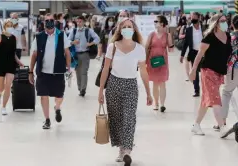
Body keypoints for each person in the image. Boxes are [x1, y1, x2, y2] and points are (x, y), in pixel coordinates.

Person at [98, 18, 153, 165]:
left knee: (129, 118)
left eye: (130, 26)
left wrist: (149, 93)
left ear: (134, 29)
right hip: (114, 84)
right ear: (120, 30)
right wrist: (100, 91)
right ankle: (121, 149)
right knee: (116, 119)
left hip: (131, 86)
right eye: (125, 27)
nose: (127, 29)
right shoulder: (112, 47)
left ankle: (127, 150)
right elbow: (105, 69)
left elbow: (143, 72)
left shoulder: (140, 49)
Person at [189, 14, 232, 137]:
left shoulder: (227, 36)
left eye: (226, 21)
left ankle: (196, 125)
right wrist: (193, 70)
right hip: (208, 71)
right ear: (216, 23)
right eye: (222, 21)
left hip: (219, 72)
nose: (225, 23)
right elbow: (199, 54)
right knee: (215, 99)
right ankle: (222, 127)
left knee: (206, 100)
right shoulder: (210, 37)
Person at [29, 13, 71, 129]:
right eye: (47, 21)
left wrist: (69, 68)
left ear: (55, 22)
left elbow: (67, 53)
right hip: (43, 72)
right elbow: (34, 55)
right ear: (43, 23)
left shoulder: (61, 35)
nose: (49, 22)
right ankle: (47, 119)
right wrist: (31, 72)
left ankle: (57, 107)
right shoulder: (39, 36)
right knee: (43, 95)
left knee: (59, 95)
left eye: (51, 20)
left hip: (58, 72)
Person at [0, 19, 24, 115]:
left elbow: (14, 53)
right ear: (4, 27)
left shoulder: (14, 38)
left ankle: (3, 107)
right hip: (0, 64)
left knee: (8, 85)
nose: (9, 27)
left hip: (11, 64)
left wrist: (18, 61)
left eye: (11, 25)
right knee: (1, 88)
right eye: (8, 25)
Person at [213, 14, 238, 130]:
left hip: (233, 70)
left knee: (226, 93)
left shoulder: (229, 38)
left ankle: (221, 122)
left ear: (232, 24)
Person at [146, 15, 174, 112]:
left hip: (163, 62)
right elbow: (146, 47)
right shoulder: (151, 34)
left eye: (156, 21)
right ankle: (156, 103)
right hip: (152, 61)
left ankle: (162, 104)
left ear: (162, 23)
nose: (155, 23)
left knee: (162, 83)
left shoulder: (167, 35)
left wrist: (170, 37)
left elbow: (171, 50)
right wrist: (144, 61)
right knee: (155, 83)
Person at [68, 16, 100, 97]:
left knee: (84, 72)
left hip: (85, 54)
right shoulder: (74, 31)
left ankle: (83, 89)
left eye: (80, 21)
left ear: (84, 22)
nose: (79, 23)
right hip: (76, 55)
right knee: (78, 72)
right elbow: (67, 41)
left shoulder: (88, 30)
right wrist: (73, 42)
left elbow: (97, 39)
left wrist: (90, 43)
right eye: (77, 22)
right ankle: (80, 88)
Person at [180, 12, 203, 97]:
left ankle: (206, 89)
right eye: (191, 17)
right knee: (195, 72)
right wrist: (182, 55)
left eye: (194, 17)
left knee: (205, 72)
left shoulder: (204, 28)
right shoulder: (189, 29)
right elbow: (185, 43)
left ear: (199, 18)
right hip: (193, 53)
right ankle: (196, 90)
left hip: (204, 53)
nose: (192, 19)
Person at [179, 16, 191, 81]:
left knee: (193, 61)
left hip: (193, 46)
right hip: (186, 46)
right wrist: (186, 35)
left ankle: (192, 75)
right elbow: (180, 36)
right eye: (188, 19)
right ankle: (187, 76)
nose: (190, 20)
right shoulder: (184, 27)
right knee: (186, 61)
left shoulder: (195, 27)